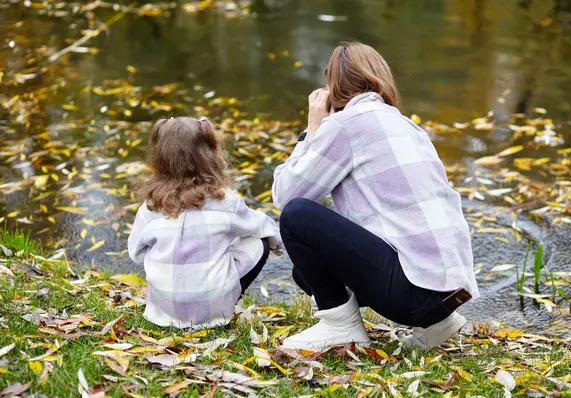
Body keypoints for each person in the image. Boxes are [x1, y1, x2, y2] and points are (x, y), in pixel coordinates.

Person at [272, 42, 479, 351]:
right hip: (449, 292)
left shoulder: (345, 125)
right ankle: (439, 324)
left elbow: (286, 195)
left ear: (333, 87)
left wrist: (311, 131)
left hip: (412, 296)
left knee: (297, 216)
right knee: (305, 272)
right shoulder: (406, 125)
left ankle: (341, 326)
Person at [128, 117, 283, 329]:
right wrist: (277, 243)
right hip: (215, 310)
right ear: (210, 155)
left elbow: (136, 254)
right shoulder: (225, 201)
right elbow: (260, 225)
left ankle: (176, 297)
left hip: (163, 311)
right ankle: (225, 302)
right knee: (259, 242)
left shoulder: (150, 207)